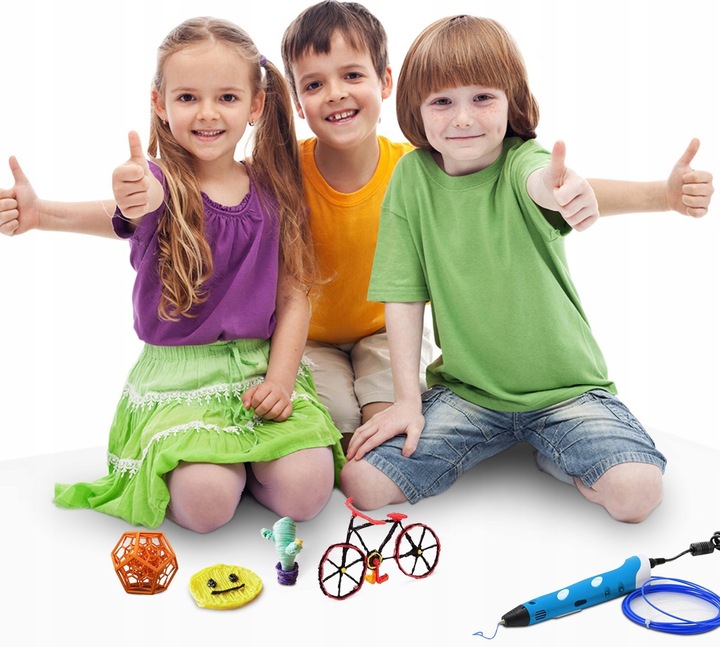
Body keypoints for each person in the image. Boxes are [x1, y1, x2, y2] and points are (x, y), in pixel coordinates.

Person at [0, 2, 713, 450]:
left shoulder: (421, 167)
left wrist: (661, 193)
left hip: (382, 332)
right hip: (303, 338)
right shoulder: (279, 173)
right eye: (313, 84)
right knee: (336, 438)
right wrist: (47, 213)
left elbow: (549, 186)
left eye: (351, 76)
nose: (335, 95)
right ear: (291, 99)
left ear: (386, 82)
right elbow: (162, 212)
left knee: (388, 426)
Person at [340, 14, 709, 523]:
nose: (463, 118)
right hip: (469, 395)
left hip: (567, 394)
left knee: (637, 494)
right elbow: (403, 295)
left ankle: (555, 454)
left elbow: (545, 183)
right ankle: (498, 446)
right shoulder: (411, 177)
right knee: (363, 482)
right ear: (415, 109)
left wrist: (583, 194)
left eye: (482, 98)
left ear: (511, 100)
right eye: (442, 101)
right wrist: (407, 401)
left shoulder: (522, 160)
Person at [53, 16, 344, 533]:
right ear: (160, 104)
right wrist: (110, 198)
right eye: (187, 97)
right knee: (206, 505)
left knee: (307, 491)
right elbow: (135, 205)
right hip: (180, 379)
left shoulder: (274, 189)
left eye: (227, 98)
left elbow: (294, 295)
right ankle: (217, 469)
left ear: (256, 105)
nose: (207, 113)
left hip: (259, 369)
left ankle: (251, 466)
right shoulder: (160, 183)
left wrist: (280, 380)